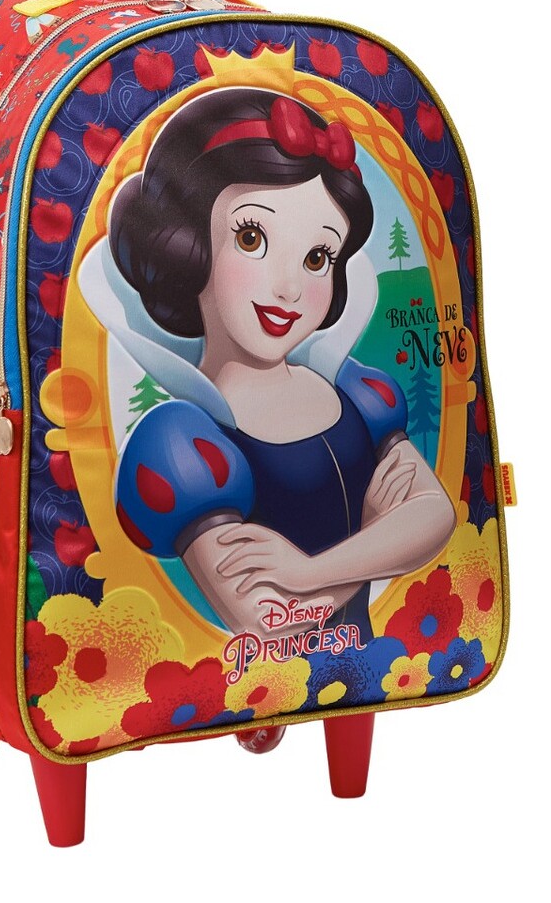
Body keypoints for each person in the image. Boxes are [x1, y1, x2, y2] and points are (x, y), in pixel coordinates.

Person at [101, 86, 455, 641]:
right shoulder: (180, 442)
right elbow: (267, 622)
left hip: (374, 670)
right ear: (187, 246)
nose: (289, 288)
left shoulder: (353, 391)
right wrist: (377, 535)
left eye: (317, 257)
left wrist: (309, 572)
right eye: (251, 237)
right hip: (261, 678)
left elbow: (437, 513)